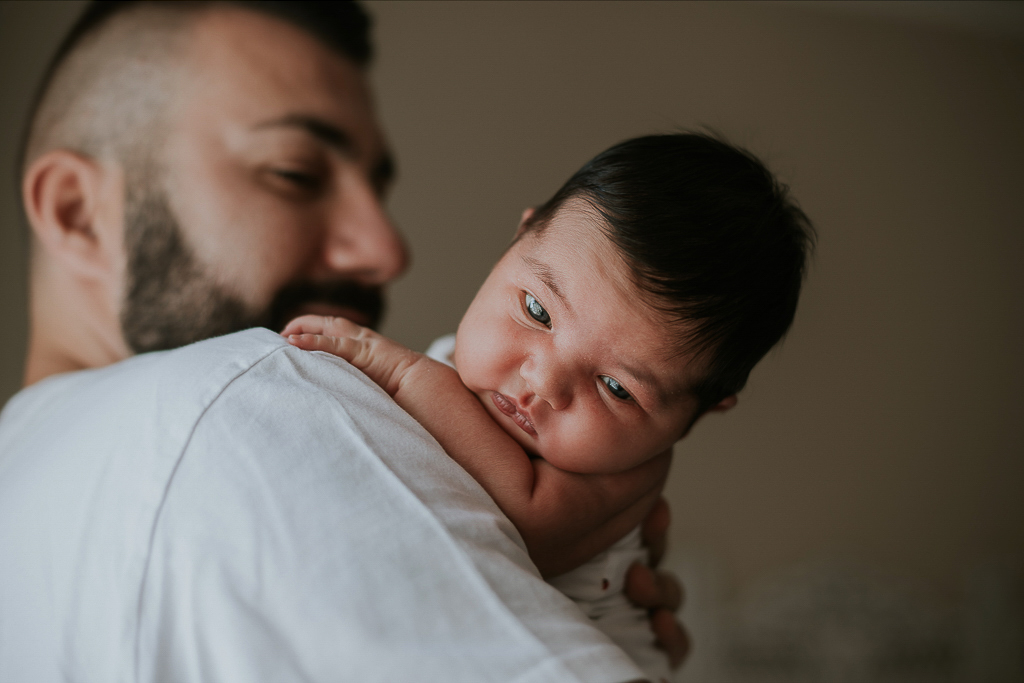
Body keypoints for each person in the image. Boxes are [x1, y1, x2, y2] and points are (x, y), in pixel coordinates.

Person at [0, 1, 687, 680]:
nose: (386, 249)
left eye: (374, 187)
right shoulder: (257, 392)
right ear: (78, 211)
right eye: (295, 174)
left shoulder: (25, 485)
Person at [283, 133, 814, 682]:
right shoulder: (457, 370)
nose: (542, 382)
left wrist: (400, 371)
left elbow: (522, 518)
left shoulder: (627, 473)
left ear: (699, 414)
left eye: (616, 388)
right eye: (537, 309)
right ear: (520, 235)